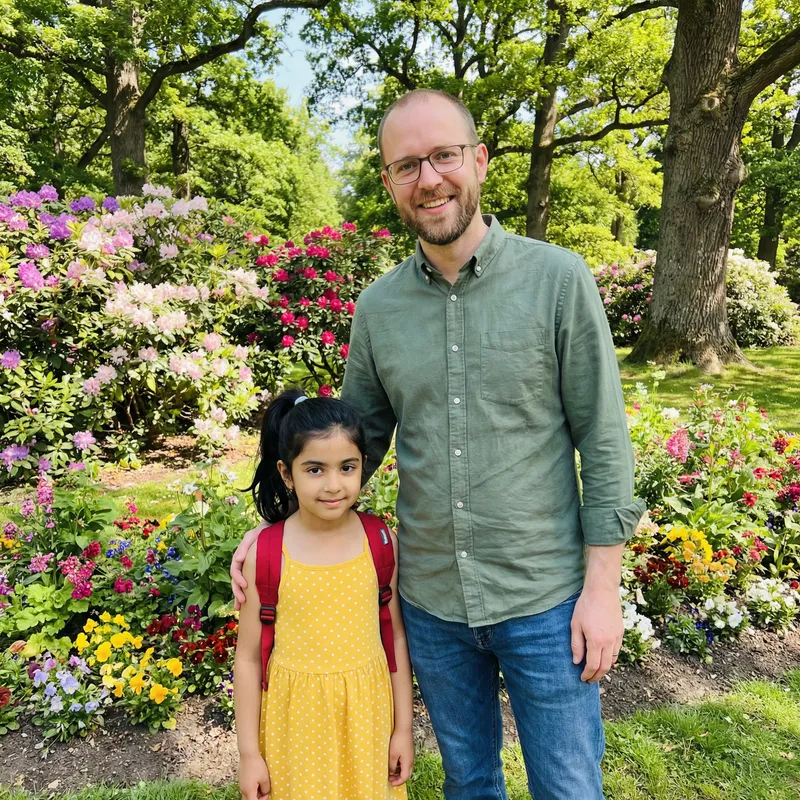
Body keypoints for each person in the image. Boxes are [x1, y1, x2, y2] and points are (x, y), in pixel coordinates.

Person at [233, 89, 646, 800]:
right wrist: (277, 528)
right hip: (431, 603)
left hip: (544, 599)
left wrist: (602, 590)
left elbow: (604, 444)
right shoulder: (378, 308)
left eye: (444, 156)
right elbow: (347, 443)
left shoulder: (558, 281)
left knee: (570, 787)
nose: (428, 179)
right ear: (390, 181)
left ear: (479, 161)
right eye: (406, 165)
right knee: (469, 783)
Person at [234, 388, 414, 800]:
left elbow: (395, 637)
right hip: (294, 727)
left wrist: (403, 728)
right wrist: (249, 754)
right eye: (315, 469)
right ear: (286, 473)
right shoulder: (265, 553)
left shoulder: (380, 541)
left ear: (362, 466)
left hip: (367, 721)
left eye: (347, 467)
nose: (334, 485)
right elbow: (246, 658)